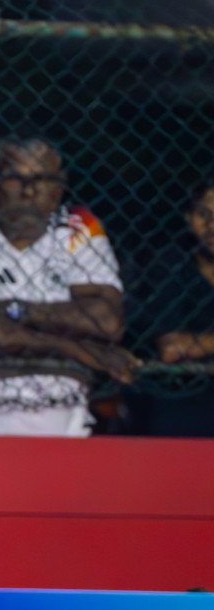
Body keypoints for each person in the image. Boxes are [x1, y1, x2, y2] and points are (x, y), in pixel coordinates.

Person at [0, 137, 136, 436]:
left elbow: (106, 321)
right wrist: (77, 348)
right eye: (15, 178)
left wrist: (17, 312)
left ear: (59, 186)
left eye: (41, 180)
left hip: (69, 421)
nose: (29, 192)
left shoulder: (79, 227)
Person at [126, 181, 214, 436]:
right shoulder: (172, 264)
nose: (212, 225)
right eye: (204, 214)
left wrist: (199, 344)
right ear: (189, 218)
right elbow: (173, 349)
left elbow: (188, 346)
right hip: (185, 399)